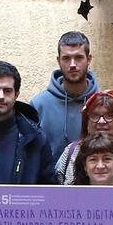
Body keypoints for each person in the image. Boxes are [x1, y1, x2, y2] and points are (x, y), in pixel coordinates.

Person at [32, 32, 100, 160]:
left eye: (79, 57)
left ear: (89, 59)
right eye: (66, 58)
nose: (72, 64)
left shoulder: (103, 103)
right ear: (58, 61)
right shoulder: (39, 105)